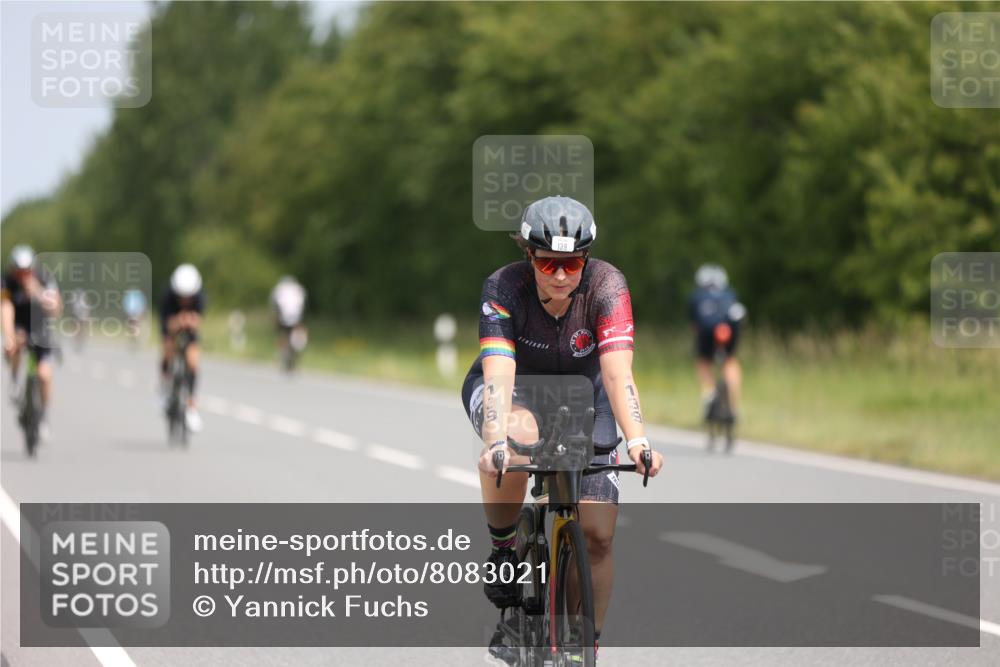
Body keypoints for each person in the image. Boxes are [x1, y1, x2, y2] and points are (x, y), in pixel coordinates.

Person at [462, 196, 663, 652]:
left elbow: (617, 373)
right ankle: (502, 548)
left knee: (597, 536)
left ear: (585, 258)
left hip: (585, 395)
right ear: (529, 255)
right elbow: (497, 375)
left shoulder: (607, 286)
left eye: (571, 263)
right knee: (517, 439)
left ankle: (583, 644)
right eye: (548, 262)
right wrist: (496, 441)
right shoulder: (504, 287)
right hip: (514, 389)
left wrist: (638, 441)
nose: (559, 274)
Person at [1, 245, 62, 436]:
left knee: (44, 375)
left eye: (26, 271)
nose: (22, 276)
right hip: (19, 324)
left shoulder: (44, 278)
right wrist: (9, 336)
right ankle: (14, 380)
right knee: (15, 344)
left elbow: (56, 308)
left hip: (40, 326)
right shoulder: (6, 282)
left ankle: (43, 415)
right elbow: (5, 308)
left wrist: (36, 291)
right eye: (18, 272)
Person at [688, 263, 744, 418]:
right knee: (730, 361)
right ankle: (734, 405)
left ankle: (709, 392)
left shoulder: (696, 297)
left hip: (706, 331)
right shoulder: (730, 294)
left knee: (703, 361)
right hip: (728, 331)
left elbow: (694, 326)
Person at [159, 264, 205, 432]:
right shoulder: (168, 296)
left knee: (193, 361)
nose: (185, 300)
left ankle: (191, 407)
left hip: (190, 330)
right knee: (168, 349)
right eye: (181, 296)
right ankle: (164, 390)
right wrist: (177, 322)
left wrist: (189, 321)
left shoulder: (200, 297)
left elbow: (198, 320)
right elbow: (167, 323)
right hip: (171, 324)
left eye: (189, 297)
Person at [269, 275, 307, 364]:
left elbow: (274, 303)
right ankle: (296, 350)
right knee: (297, 332)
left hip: (283, 315)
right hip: (297, 316)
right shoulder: (298, 288)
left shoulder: (279, 288)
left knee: (283, 333)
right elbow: (304, 303)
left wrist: (274, 317)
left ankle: (282, 353)